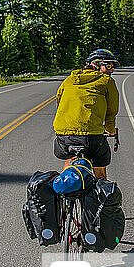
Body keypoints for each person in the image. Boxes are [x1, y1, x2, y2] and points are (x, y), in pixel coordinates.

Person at [53, 49, 120, 179]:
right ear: (95, 65)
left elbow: (59, 104)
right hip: (91, 138)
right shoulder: (107, 82)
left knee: (70, 159)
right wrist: (110, 130)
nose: (112, 70)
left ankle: (63, 190)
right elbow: (111, 112)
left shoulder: (68, 80)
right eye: (109, 66)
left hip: (63, 137)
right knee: (100, 168)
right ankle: (101, 196)